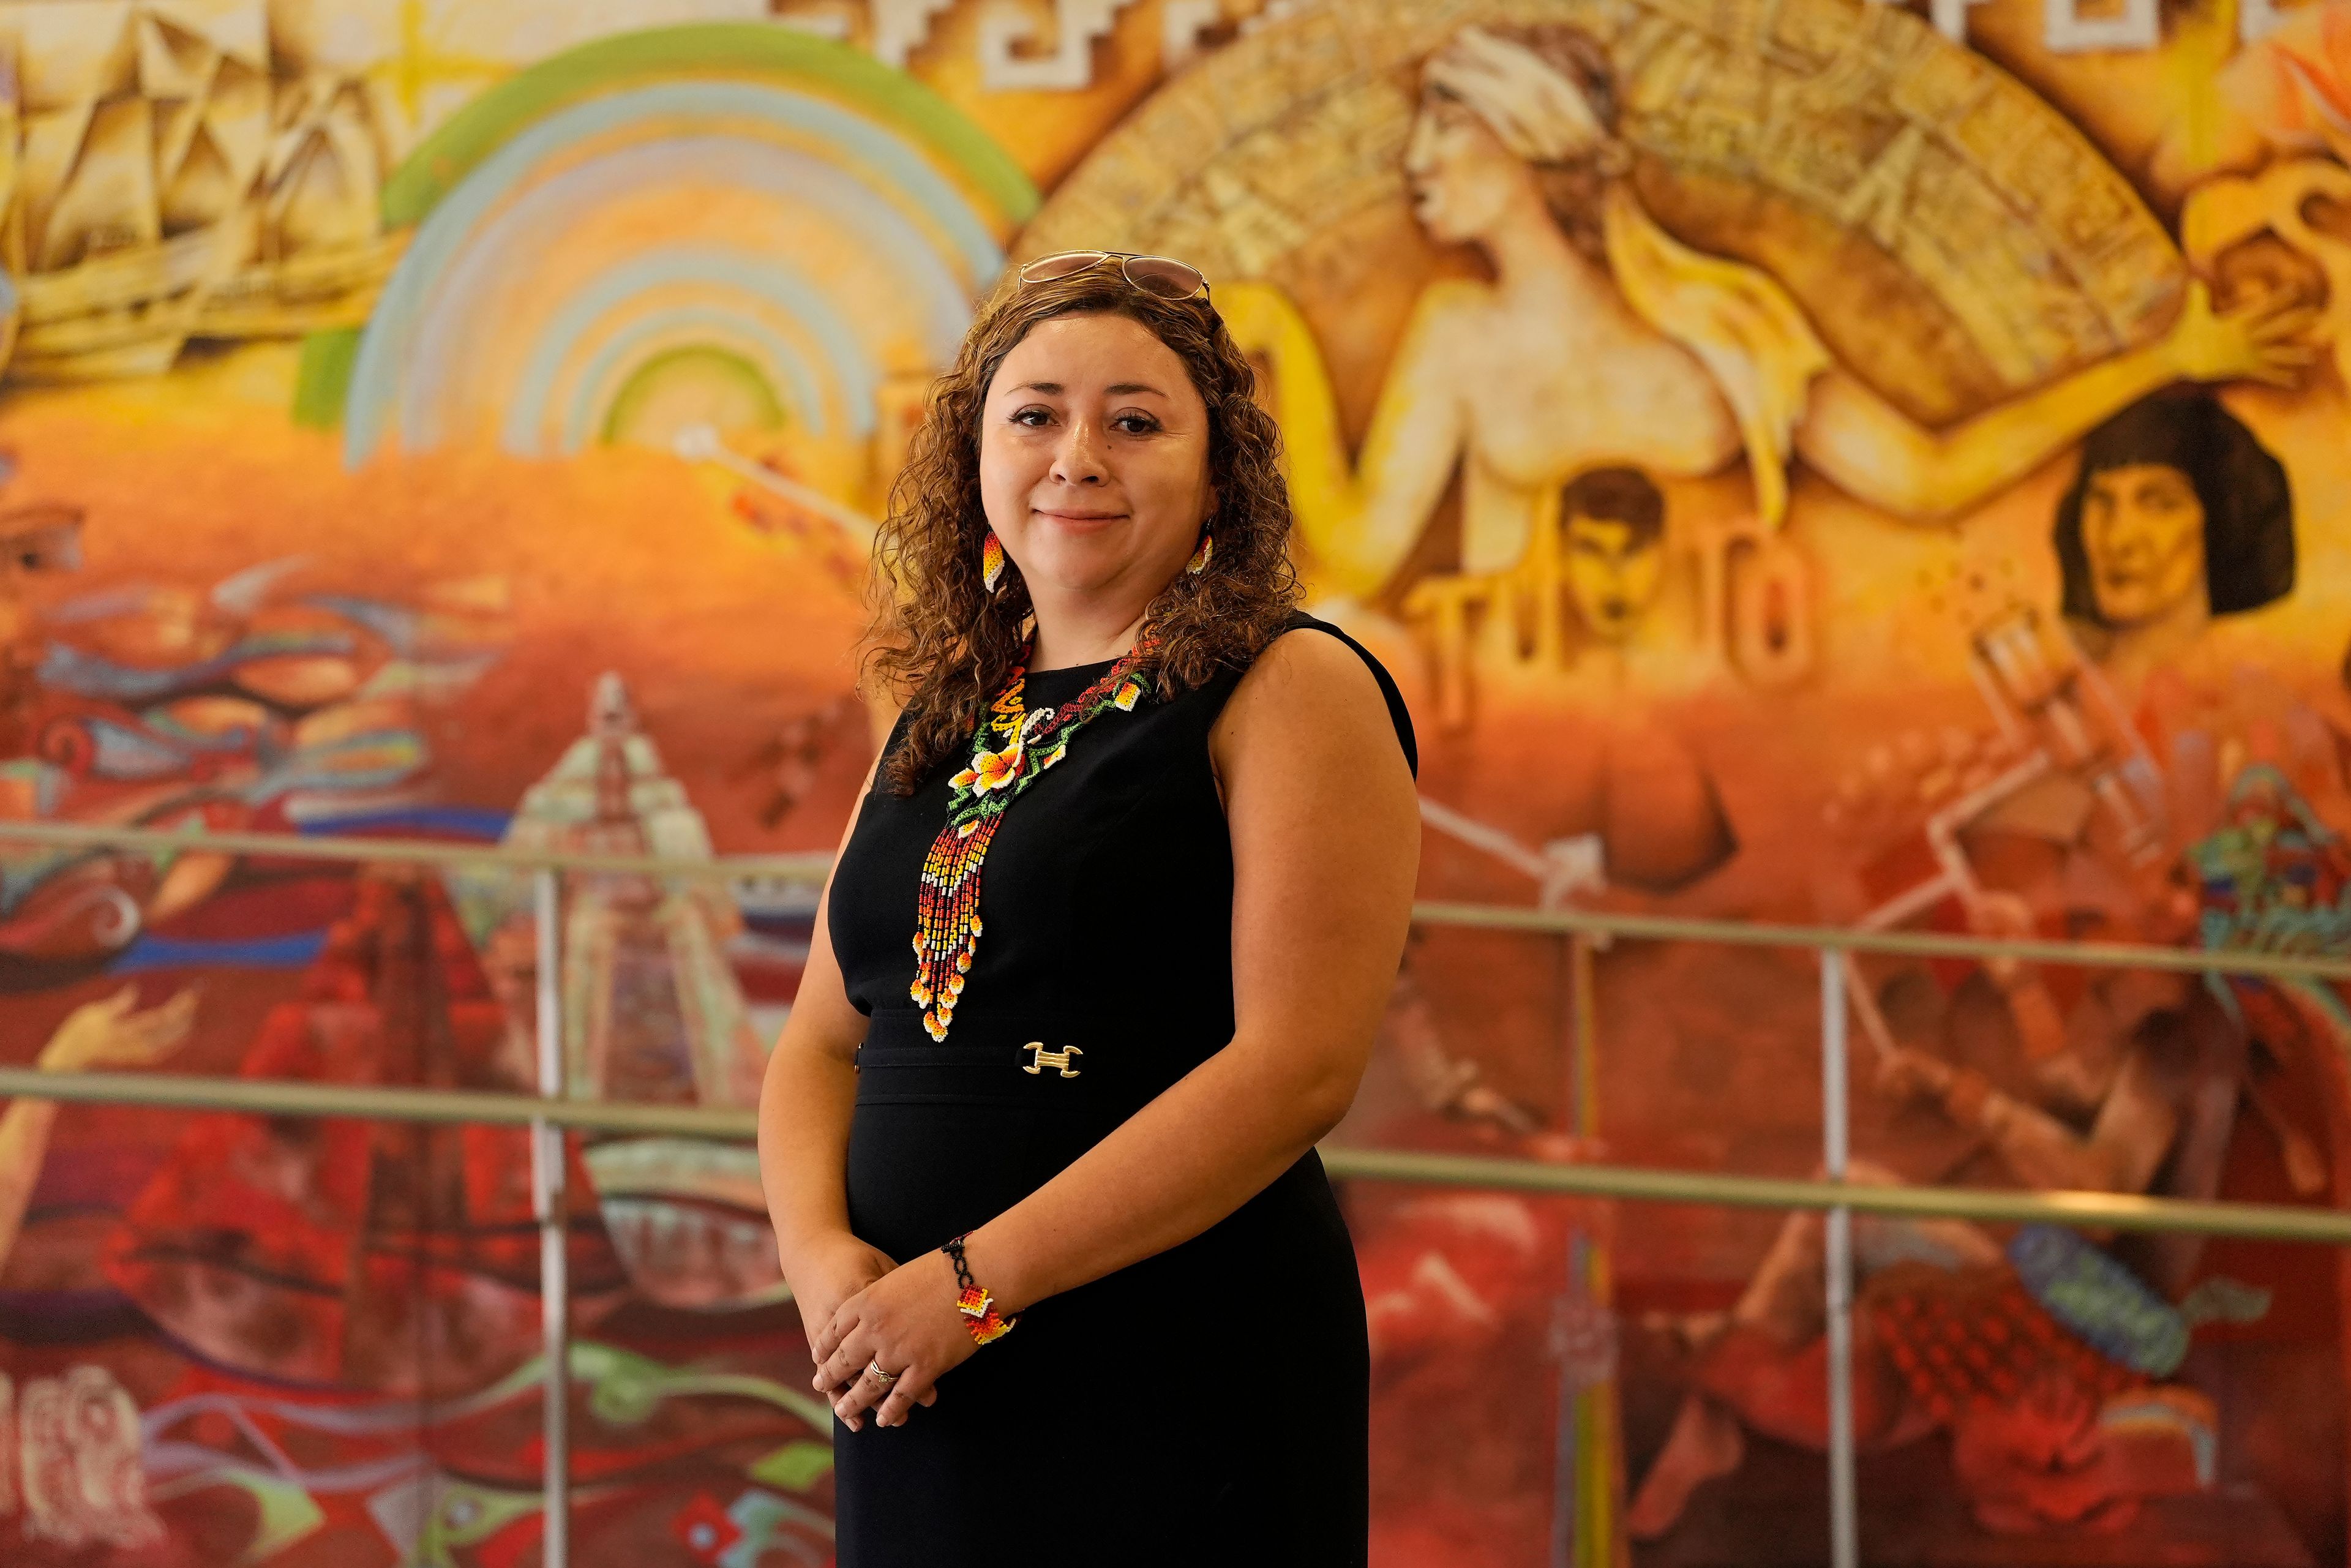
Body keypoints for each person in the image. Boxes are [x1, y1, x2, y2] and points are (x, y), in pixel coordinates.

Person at [756, 249, 1422, 1564]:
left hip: (1170, 1357)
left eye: (1136, 419)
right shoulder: (939, 705)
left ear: (1220, 474)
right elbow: (823, 1040)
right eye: (1036, 413)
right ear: (976, 459)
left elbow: (1298, 1067)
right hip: (908, 1366)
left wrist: (969, 1285)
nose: (1077, 455)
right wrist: (823, 1260)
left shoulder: (1294, 686)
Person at [1217, 25, 2315, 601]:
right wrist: (1282, 344)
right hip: (1515, 757)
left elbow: (1927, 476)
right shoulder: (1455, 332)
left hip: (1721, 758)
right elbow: (1357, 554)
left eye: (1446, 129)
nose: (1415, 163)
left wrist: (2166, 355)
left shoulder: (1723, 320)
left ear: (1524, 138)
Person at [2053, 391, 2295, 692]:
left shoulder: (2264, 689)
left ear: (2221, 521)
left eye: (2160, 504)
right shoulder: (2056, 702)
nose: (2117, 540)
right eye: (2102, 501)